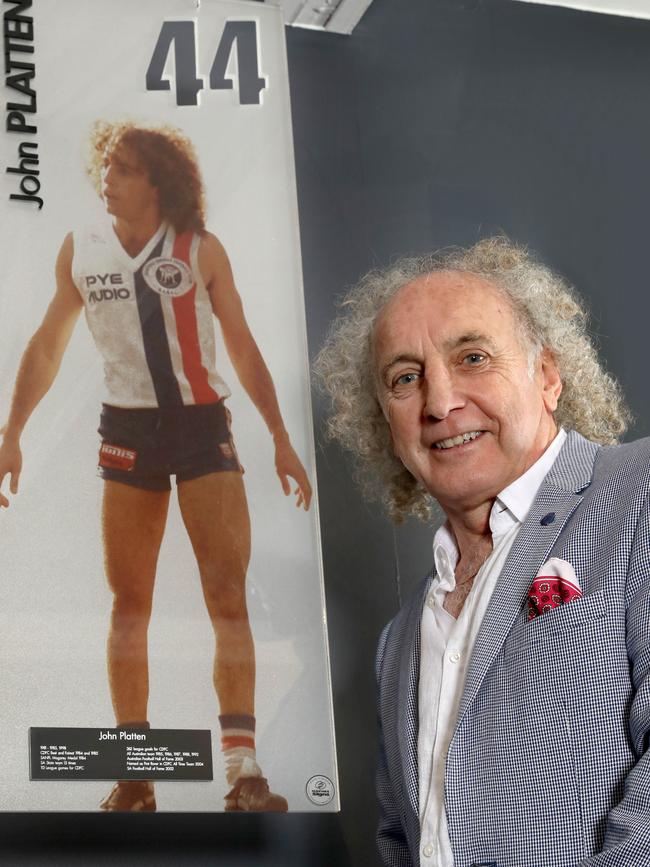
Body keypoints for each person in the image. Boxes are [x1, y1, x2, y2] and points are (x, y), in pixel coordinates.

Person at [0, 120, 312, 813]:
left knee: (226, 594)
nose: (107, 178)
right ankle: (136, 776)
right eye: (106, 166)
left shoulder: (200, 249)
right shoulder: (81, 250)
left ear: (157, 181)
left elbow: (242, 345)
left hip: (203, 428)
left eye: (124, 168)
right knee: (129, 605)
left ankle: (243, 771)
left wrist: (282, 437)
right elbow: (47, 346)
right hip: (129, 429)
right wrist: (12, 430)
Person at [315, 237, 650, 865]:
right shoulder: (401, 637)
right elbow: (399, 839)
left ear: (548, 376)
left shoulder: (639, 494)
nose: (440, 403)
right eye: (406, 378)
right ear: (385, 422)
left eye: (472, 357)